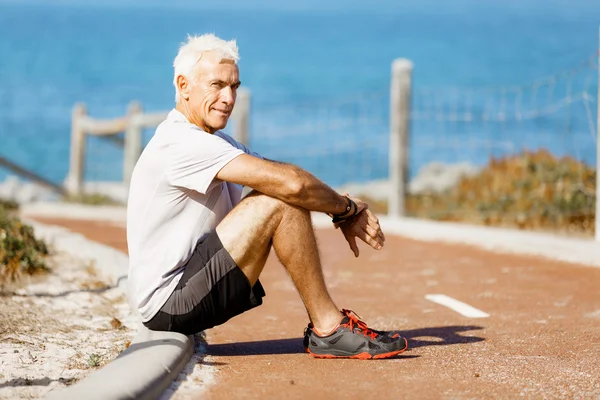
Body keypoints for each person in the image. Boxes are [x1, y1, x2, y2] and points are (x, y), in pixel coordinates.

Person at [126, 33, 408, 359]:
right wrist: (346, 210)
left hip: (191, 284)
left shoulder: (216, 143)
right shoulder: (182, 143)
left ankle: (328, 328)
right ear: (184, 86)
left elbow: (283, 177)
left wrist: (341, 206)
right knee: (279, 199)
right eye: (216, 85)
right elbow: (292, 186)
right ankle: (328, 329)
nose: (229, 98)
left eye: (234, 86)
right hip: (169, 304)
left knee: (281, 192)